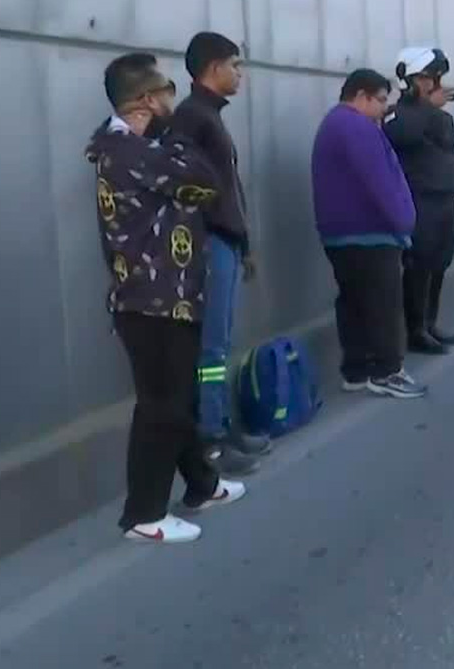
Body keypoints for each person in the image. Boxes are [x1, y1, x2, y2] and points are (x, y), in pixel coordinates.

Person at [86, 52, 246, 544]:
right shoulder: (131, 152)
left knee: (173, 400)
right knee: (163, 406)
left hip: (162, 295)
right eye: (167, 94)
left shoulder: (133, 148)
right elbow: (204, 179)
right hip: (153, 300)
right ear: (144, 102)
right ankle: (144, 514)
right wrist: (176, 136)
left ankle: (202, 484)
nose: (174, 102)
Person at [170, 31, 263, 478]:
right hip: (209, 245)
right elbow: (189, 194)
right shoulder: (192, 118)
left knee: (220, 344)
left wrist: (243, 243)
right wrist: (216, 240)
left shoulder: (207, 116)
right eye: (235, 65)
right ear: (212, 68)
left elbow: (226, 188)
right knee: (211, 349)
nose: (239, 74)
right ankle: (211, 438)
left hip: (225, 242)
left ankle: (223, 426)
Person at [310, 69, 426, 399]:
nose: (382, 109)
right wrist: (405, 221)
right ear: (360, 96)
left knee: (354, 302)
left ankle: (357, 369)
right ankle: (387, 370)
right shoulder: (357, 128)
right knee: (383, 303)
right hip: (369, 232)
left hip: (340, 233)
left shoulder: (333, 124)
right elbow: (381, 181)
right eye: (379, 101)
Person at [384, 47, 454, 356]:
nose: (433, 84)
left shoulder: (440, 118)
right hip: (417, 201)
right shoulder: (397, 114)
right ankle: (414, 331)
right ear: (410, 81)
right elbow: (403, 136)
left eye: (435, 78)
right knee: (418, 266)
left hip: (443, 201)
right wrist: (428, 108)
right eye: (426, 78)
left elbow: (450, 157)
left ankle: (429, 323)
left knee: (439, 264)